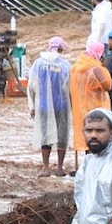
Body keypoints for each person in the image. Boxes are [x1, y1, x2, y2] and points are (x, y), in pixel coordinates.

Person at [28, 37, 72, 176]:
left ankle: (46, 167)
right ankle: (59, 167)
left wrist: (32, 106)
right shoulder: (65, 66)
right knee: (62, 135)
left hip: (43, 105)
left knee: (45, 136)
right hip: (61, 106)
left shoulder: (38, 64)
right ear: (60, 49)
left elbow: (31, 85)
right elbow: (69, 87)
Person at [70, 42, 112, 163]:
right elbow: (107, 86)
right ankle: (95, 166)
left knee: (87, 135)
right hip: (96, 107)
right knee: (98, 136)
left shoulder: (76, 67)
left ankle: (86, 165)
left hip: (80, 108)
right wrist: (103, 69)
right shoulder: (96, 69)